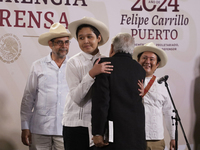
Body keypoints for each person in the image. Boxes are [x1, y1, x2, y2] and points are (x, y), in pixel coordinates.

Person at [62, 17, 113, 150]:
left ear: (99, 38)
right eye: (81, 38)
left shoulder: (107, 62)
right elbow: (77, 98)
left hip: (99, 127)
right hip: (75, 125)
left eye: (89, 36)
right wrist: (92, 74)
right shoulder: (73, 62)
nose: (85, 41)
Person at [20, 22, 72, 150]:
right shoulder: (37, 66)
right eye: (60, 42)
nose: (64, 46)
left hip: (65, 130)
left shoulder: (74, 66)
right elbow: (28, 98)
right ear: (50, 44)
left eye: (66, 42)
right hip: (39, 130)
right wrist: (25, 126)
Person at [92, 32, 146, 150]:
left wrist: (97, 132)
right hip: (137, 133)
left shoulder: (105, 65)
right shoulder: (140, 69)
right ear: (132, 49)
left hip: (114, 133)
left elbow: (101, 102)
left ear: (112, 47)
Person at [132, 42, 176, 150]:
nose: (147, 62)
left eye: (152, 59)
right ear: (138, 61)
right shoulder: (129, 81)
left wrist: (173, 137)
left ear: (157, 64)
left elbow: (169, 111)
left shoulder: (163, 84)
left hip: (156, 140)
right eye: (144, 58)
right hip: (133, 137)